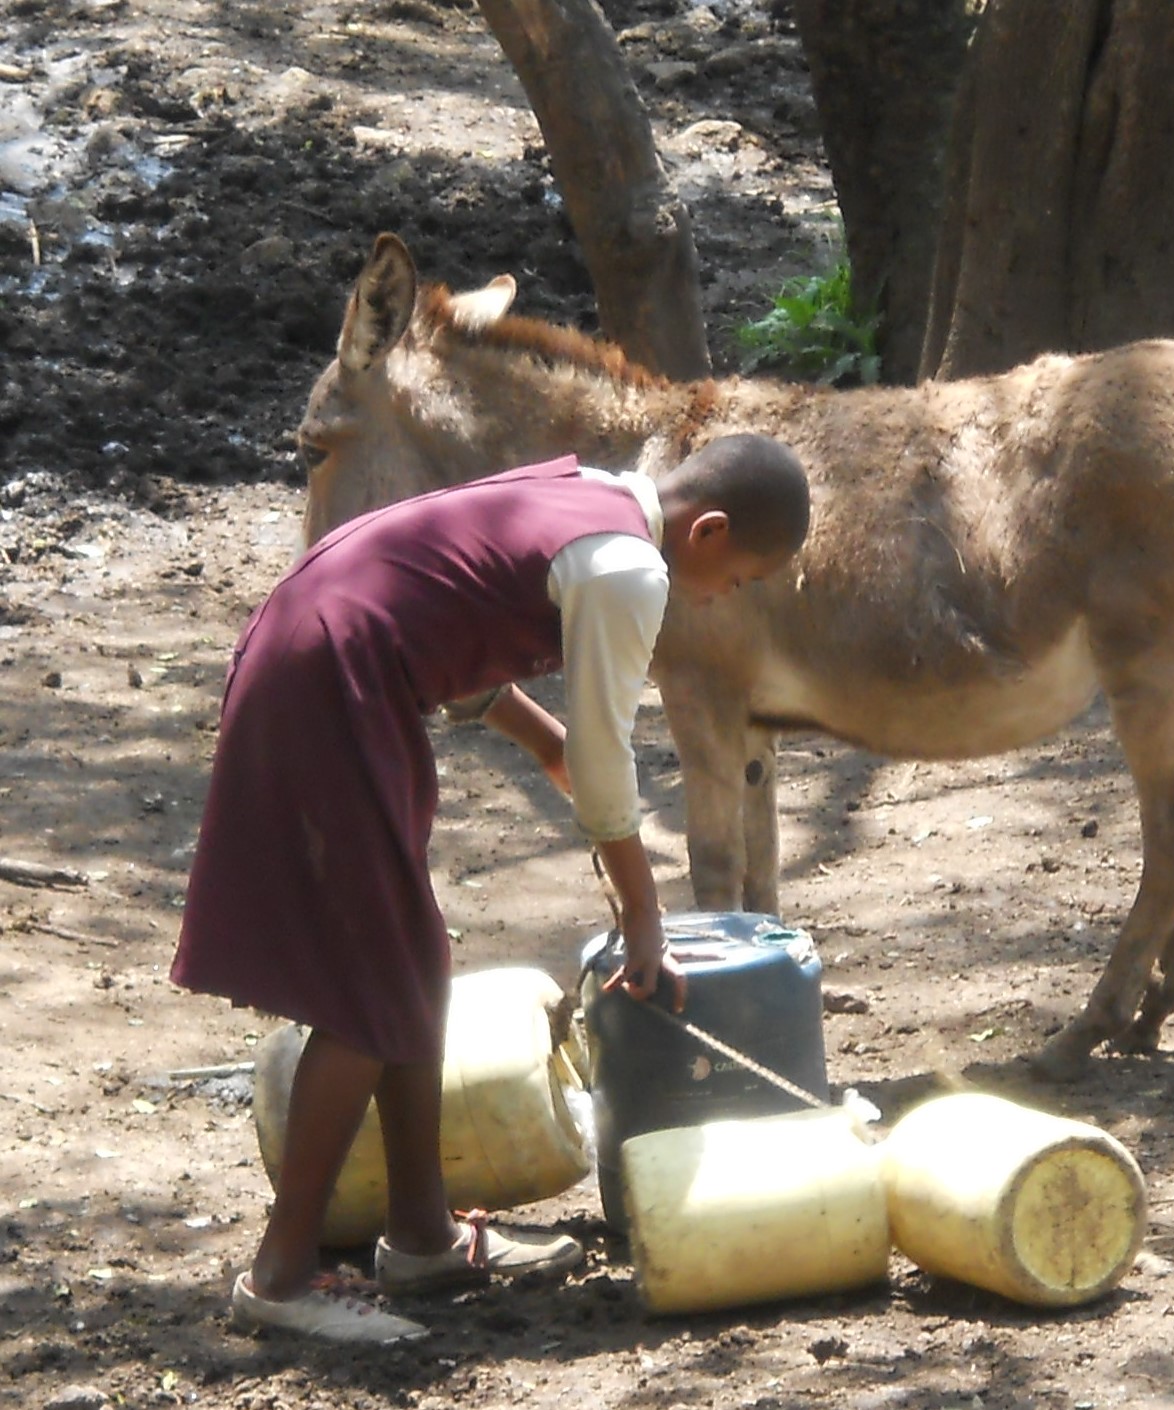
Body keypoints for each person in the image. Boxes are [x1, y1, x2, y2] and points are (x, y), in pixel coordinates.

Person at [170, 433, 812, 1344]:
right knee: (366, 995)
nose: (727, 598)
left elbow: (441, 603)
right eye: (742, 579)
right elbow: (605, 766)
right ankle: (278, 1280)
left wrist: (542, 738)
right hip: (332, 680)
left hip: (322, 649)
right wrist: (643, 919)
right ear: (706, 532)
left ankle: (422, 1237)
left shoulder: (587, 491)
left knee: (409, 963)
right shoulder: (631, 570)